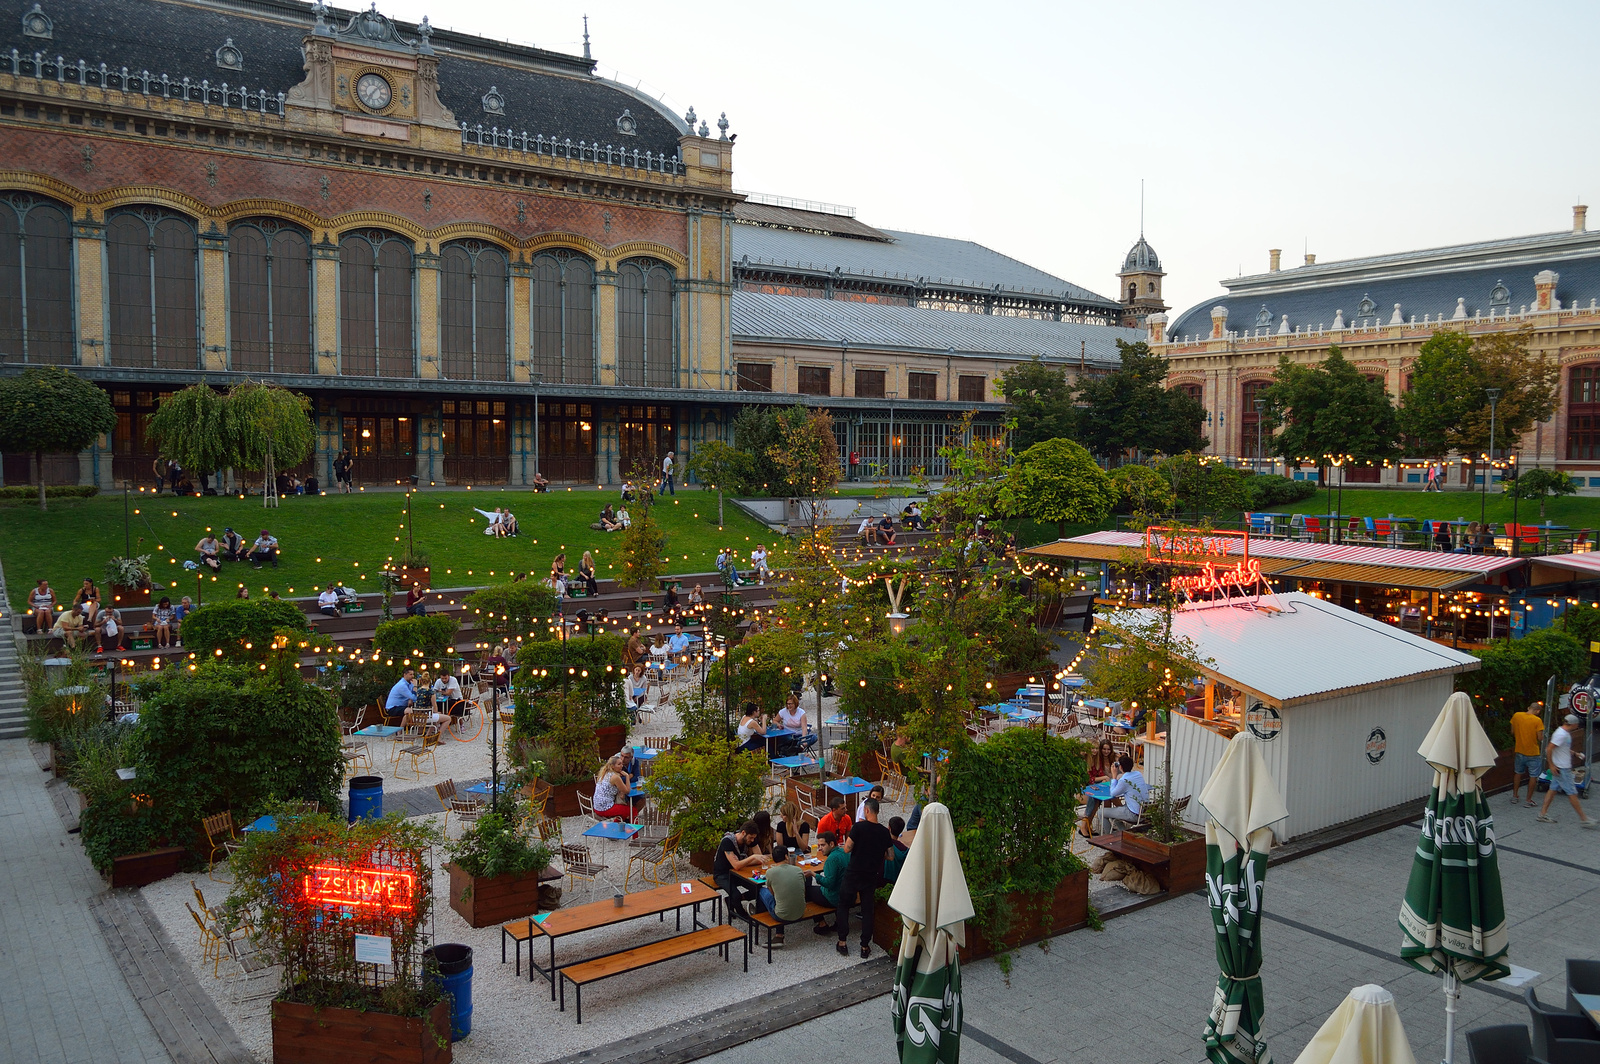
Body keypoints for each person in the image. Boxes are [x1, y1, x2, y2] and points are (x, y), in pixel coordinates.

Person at [837, 797, 893, 958]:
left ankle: (842, 941)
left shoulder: (858, 827)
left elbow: (847, 849)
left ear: (866, 810)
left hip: (854, 873)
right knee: (868, 910)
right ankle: (864, 945)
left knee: (844, 905)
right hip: (870, 876)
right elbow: (890, 856)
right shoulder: (884, 832)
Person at [1537, 714, 1595, 827]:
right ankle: (1584, 818)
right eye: (1577, 724)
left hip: (1560, 768)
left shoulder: (1564, 733)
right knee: (1572, 793)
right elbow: (1549, 749)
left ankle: (1542, 814)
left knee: (1552, 790)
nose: (1578, 726)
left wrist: (1574, 753)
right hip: (1562, 769)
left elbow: (1562, 748)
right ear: (1573, 724)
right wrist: (1551, 765)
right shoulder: (1561, 734)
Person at [759, 845, 809, 947]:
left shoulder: (770, 872)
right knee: (784, 896)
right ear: (787, 856)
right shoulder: (798, 870)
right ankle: (779, 933)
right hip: (800, 911)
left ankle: (758, 915)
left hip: (781, 915)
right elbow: (803, 891)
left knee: (761, 891)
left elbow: (772, 893)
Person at [713, 820, 764, 919]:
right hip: (722, 874)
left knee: (758, 889)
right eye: (751, 838)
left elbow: (759, 859)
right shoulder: (727, 841)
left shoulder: (750, 839)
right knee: (735, 894)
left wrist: (747, 861)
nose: (752, 840)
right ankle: (741, 913)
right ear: (743, 833)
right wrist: (752, 858)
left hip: (739, 872)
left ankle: (730, 900)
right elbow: (736, 865)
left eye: (754, 838)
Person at [1096, 754, 1147, 833]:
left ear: (1121, 767)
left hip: (1133, 814)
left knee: (1101, 812)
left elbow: (1113, 793)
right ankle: (1123, 832)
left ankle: (1110, 836)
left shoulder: (1124, 780)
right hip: (1143, 812)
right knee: (1113, 813)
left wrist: (1114, 776)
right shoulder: (1138, 774)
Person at [810, 831, 849, 934]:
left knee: (807, 890)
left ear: (831, 844)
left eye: (823, 845)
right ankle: (837, 921)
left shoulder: (831, 859)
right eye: (819, 845)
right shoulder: (844, 852)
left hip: (835, 897)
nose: (820, 848)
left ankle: (821, 923)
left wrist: (814, 875)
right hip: (849, 894)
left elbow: (829, 884)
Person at [1510, 702, 1546, 807]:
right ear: (1538, 711)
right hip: (1533, 752)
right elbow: (1540, 738)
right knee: (1533, 776)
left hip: (1519, 750)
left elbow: (1512, 732)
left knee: (1518, 773)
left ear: (1528, 707)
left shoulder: (1516, 715)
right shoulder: (1537, 720)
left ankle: (1515, 796)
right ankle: (1528, 800)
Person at [592, 754, 632, 820]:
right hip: (605, 808)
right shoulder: (615, 777)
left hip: (597, 807)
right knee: (632, 811)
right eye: (619, 764)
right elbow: (627, 791)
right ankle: (631, 829)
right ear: (613, 766)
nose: (622, 766)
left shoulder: (604, 773)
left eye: (622, 764)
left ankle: (619, 826)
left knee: (625, 809)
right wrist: (627, 776)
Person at [883, 816, 909, 883]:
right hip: (898, 882)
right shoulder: (905, 850)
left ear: (889, 828)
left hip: (882, 881)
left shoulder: (882, 845)